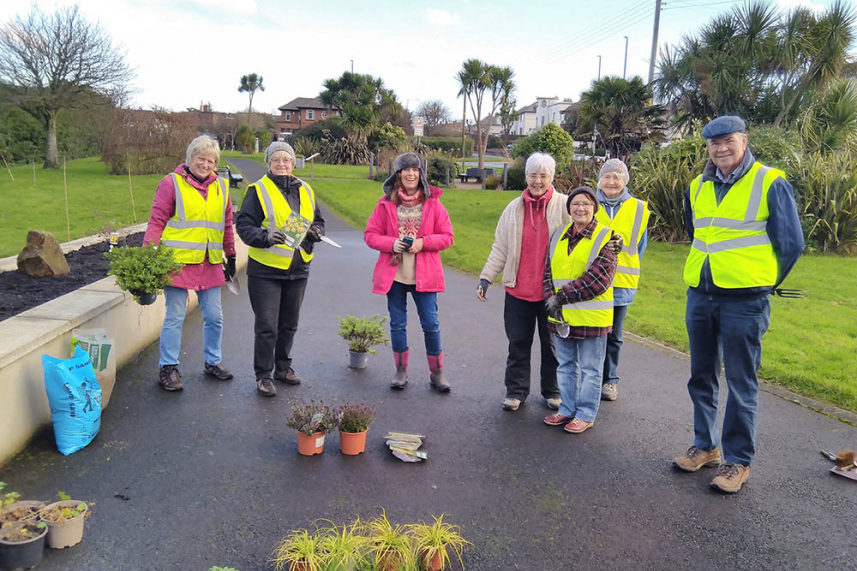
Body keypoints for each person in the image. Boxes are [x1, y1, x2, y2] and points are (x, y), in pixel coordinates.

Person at [673, 116, 804, 493]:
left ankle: (737, 461)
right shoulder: (698, 185)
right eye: (713, 144)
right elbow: (696, 232)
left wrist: (765, 281)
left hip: (745, 300)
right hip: (701, 293)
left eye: (728, 141)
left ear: (743, 140)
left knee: (741, 381)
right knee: (701, 375)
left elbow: (791, 243)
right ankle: (705, 446)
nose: (720, 149)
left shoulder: (769, 181)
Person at [476, 152, 568, 412]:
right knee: (518, 343)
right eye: (533, 175)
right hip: (518, 290)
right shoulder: (513, 209)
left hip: (552, 293)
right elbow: (500, 248)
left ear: (551, 177)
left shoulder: (564, 205)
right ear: (526, 176)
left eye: (543, 176)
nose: (538, 181)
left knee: (552, 346)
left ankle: (553, 391)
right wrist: (486, 277)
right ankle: (515, 391)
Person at [144, 135, 236, 392]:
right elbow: (156, 221)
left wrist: (232, 255)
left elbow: (226, 224)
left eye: (210, 161)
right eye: (201, 159)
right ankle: (168, 367)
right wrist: (148, 255)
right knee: (174, 315)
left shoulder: (222, 188)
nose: (205, 165)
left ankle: (213, 362)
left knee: (215, 317)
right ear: (190, 158)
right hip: (177, 262)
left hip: (209, 262)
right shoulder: (170, 184)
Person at [235, 142, 325, 397]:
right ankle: (263, 375)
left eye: (286, 159)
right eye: (276, 160)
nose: (282, 164)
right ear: (269, 163)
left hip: (298, 267)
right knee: (266, 326)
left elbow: (318, 220)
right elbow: (244, 225)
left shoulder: (306, 189)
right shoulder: (258, 190)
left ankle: (283, 369)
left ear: (293, 162)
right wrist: (265, 236)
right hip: (266, 269)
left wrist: (317, 232)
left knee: (289, 324)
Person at [364, 152, 454, 392]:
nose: (411, 174)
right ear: (398, 175)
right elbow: (370, 235)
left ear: (420, 174)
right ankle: (401, 370)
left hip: (425, 275)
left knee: (431, 324)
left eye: (415, 169)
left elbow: (447, 237)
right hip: (394, 275)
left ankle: (437, 373)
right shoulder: (385, 204)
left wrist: (423, 243)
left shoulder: (433, 203)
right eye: (406, 170)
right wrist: (391, 244)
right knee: (397, 324)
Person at [542, 186, 618, 434]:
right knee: (564, 366)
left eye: (586, 203)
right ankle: (566, 410)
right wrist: (548, 298)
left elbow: (598, 280)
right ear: (569, 208)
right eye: (575, 204)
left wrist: (559, 297)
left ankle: (585, 414)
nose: (580, 208)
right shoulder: (558, 234)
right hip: (562, 317)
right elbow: (548, 273)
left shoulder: (607, 237)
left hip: (591, 317)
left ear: (594, 207)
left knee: (591, 370)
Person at [594, 159, 650, 402]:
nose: (612, 181)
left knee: (614, 335)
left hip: (621, 283)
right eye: (607, 176)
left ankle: (610, 380)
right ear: (600, 180)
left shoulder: (638, 208)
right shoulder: (589, 204)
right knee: (593, 334)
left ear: (625, 181)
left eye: (617, 177)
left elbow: (640, 246)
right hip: (592, 282)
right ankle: (591, 379)